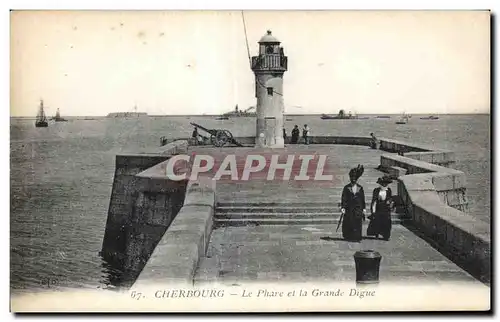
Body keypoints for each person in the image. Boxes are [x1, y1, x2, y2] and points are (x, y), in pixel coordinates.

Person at [340, 164, 367, 242]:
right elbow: (344, 198)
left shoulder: (360, 188)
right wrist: (343, 207)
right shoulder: (346, 188)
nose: (353, 179)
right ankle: (349, 236)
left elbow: (362, 198)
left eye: (355, 178)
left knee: (358, 223)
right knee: (349, 222)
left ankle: (357, 237)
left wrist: (364, 208)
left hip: (358, 208)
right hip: (349, 208)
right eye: (352, 178)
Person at [367, 176, 394, 241]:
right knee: (377, 222)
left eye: (385, 183)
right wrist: (373, 211)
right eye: (383, 183)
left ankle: (386, 236)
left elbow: (390, 199)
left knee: (386, 222)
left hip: (386, 208)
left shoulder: (389, 190)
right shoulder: (376, 190)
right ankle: (376, 234)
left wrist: (390, 203)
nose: (384, 185)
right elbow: (374, 201)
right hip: (379, 208)